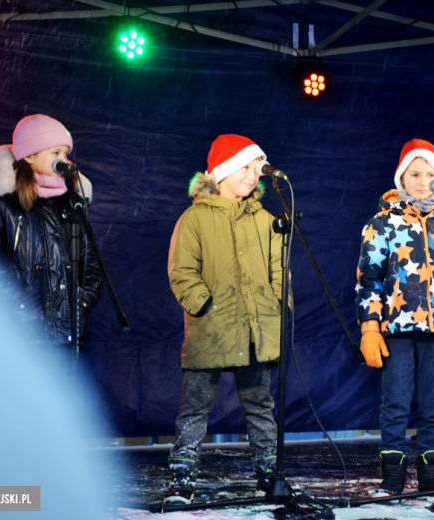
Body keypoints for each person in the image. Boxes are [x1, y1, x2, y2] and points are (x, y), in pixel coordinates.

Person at [355, 138, 434, 495]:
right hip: (396, 327)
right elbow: (369, 280)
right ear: (401, 178)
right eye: (415, 173)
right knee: (395, 403)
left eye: (430, 174)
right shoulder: (383, 223)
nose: (423, 180)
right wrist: (370, 328)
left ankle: (430, 480)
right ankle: (392, 478)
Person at [165, 134, 284, 505]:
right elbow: (182, 271)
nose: (253, 176)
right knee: (196, 407)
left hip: (255, 331)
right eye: (245, 168)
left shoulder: (265, 220)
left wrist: (278, 303)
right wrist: (205, 305)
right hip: (211, 331)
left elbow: (279, 268)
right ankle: (182, 480)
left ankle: (270, 477)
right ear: (223, 171)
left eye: (256, 169)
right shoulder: (195, 218)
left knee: (260, 404)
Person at [0, 114, 101, 354]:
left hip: (67, 339)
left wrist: (81, 302)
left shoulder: (72, 205)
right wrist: (19, 306)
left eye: (65, 153)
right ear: (29, 156)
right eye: (55, 153)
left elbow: (92, 265)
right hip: (18, 339)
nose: (63, 160)